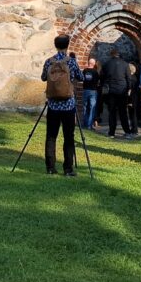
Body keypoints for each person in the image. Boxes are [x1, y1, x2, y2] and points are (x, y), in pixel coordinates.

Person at [40, 35, 83, 177]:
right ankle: (68, 169)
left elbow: (43, 78)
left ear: (55, 45)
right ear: (67, 45)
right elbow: (80, 77)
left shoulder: (49, 62)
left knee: (51, 136)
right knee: (68, 137)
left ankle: (50, 167)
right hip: (68, 106)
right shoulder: (71, 62)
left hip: (52, 106)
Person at [101, 56, 133, 137]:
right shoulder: (125, 64)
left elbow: (102, 77)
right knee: (123, 112)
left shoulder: (107, 64)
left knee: (112, 112)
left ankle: (111, 132)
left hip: (111, 91)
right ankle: (127, 132)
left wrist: (103, 87)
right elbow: (129, 78)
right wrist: (129, 88)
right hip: (122, 91)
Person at [80, 57, 101, 131]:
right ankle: (89, 125)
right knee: (92, 108)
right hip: (93, 91)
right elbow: (98, 81)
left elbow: (82, 79)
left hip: (85, 90)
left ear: (89, 63)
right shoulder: (95, 72)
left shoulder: (85, 71)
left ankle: (85, 124)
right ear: (94, 64)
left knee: (85, 107)